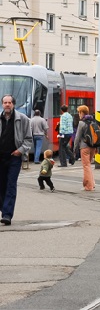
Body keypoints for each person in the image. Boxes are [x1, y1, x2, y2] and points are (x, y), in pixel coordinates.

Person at [0, 95, 32, 225]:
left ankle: (7, 214)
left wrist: (20, 150)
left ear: (13, 104)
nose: (7, 105)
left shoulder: (22, 119)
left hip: (14, 157)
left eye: (9, 102)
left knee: (11, 185)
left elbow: (28, 139)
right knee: (1, 185)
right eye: (5, 102)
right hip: (0, 158)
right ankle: (4, 208)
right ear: (2, 104)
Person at [74, 105, 96, 191]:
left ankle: (89, 186)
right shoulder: (93, 121)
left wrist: (75, 147)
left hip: (84, 147)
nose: (79, 114)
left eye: (79, 112)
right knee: (88, 165)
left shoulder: (81, 123)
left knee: (86, 166)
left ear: (82, 113)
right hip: (93, 146)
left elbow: (77, 137)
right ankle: (91, 183)